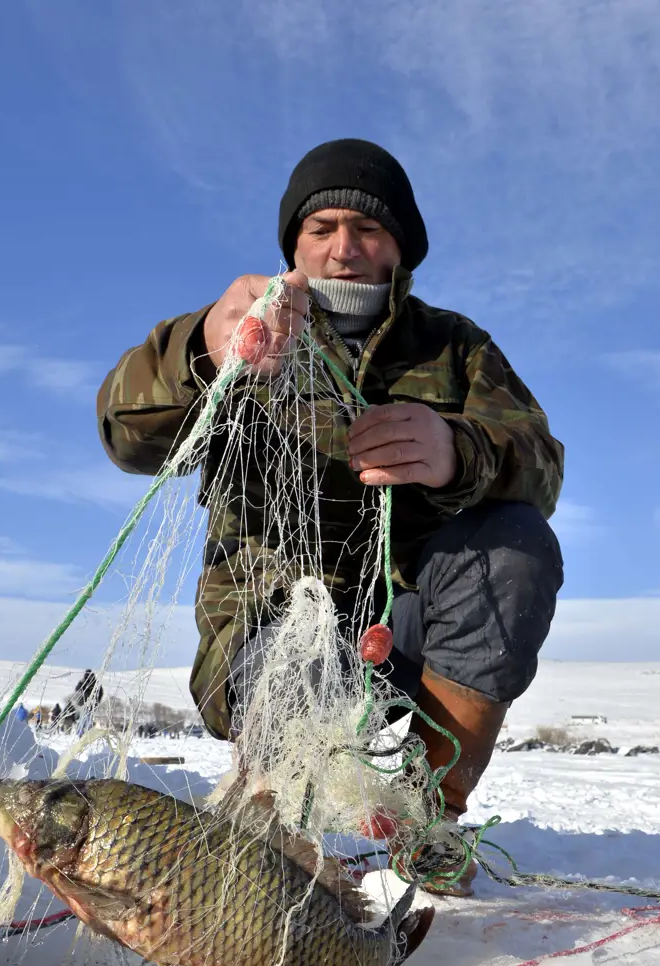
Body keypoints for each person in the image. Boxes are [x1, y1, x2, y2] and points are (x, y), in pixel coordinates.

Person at [97, 139, 564, 894]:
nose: (345, 248)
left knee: (517, 545)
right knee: (296, 691)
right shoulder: (241, 326)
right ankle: (264, 841)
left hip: (407, 629)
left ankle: (426, 817)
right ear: (295, 245)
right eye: (323, 228)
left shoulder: (456, 346)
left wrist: (459, 450)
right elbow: (123, 432)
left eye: (369, 229)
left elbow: (541, 464)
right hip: (263, 633)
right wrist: (204, 348)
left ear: (400, 249)